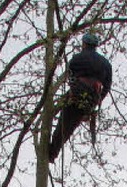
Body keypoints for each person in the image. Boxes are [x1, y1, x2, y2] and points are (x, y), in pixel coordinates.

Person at [48, 32, 112, 164]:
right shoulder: (105, 64)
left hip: (76, 96)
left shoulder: (76, 59)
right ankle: (52, 152)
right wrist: (97, 101)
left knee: (64, 125)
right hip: (91, 99)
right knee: (70, 127)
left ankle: (51, 152)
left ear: (84, 44)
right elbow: (106, 86)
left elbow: (70, 78)